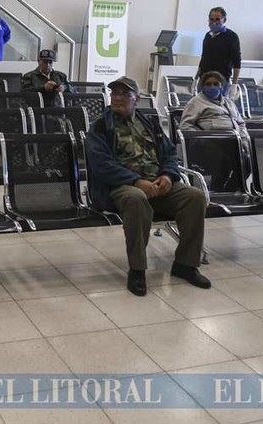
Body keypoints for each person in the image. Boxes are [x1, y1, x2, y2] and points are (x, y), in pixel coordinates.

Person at [85, 76, 211, 297]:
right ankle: (137, 269)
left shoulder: (148, 122)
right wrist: (136, 181)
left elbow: (170, 153)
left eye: (125, 94)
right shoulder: (101, 125)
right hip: (120, 186)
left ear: (137, 99)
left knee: (194, 196)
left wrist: (168, 176)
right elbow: (101, 165)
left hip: (156, 183)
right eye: (115, 93)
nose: (118, 98)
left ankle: (186, 264)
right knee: (136, 199)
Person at [179, 71, 251, 191]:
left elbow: (241, 123)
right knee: (226, 161)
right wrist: (203, 138)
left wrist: (243, 140)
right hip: (209, 145)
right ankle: (218, 188)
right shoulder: (196, 102)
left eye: (215, 84)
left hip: (233, 142)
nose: (212, 87)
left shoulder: (228, 102)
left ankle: (228, 190)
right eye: (208, 84)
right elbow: (185, 126)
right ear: (203, 86)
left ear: (221, 86)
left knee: (246, 163)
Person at [197, 6, 241, 99]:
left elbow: (237, 62)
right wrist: (197, 76)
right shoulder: (208, 36)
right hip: (204, 78)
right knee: (201, 103)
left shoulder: (231, 37)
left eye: (217, 19)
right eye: (211, 19)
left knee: (218, 105)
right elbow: (203, 57)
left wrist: (234, 84)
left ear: (224, 20)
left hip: (221, 79)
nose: (214, 22)